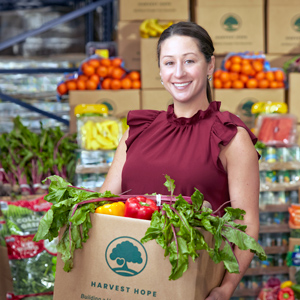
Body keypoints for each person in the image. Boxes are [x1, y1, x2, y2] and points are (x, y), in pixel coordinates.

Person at [100, 21, 260, 300]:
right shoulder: (137, 130)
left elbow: (246, 226)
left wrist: (225, 289)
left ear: (210, 65)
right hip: (127, 280)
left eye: (189, 61)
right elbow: (104, 203)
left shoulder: (230, 138)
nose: (179, 73)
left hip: (192, 287)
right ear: (160, 72)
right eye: (169, 63)